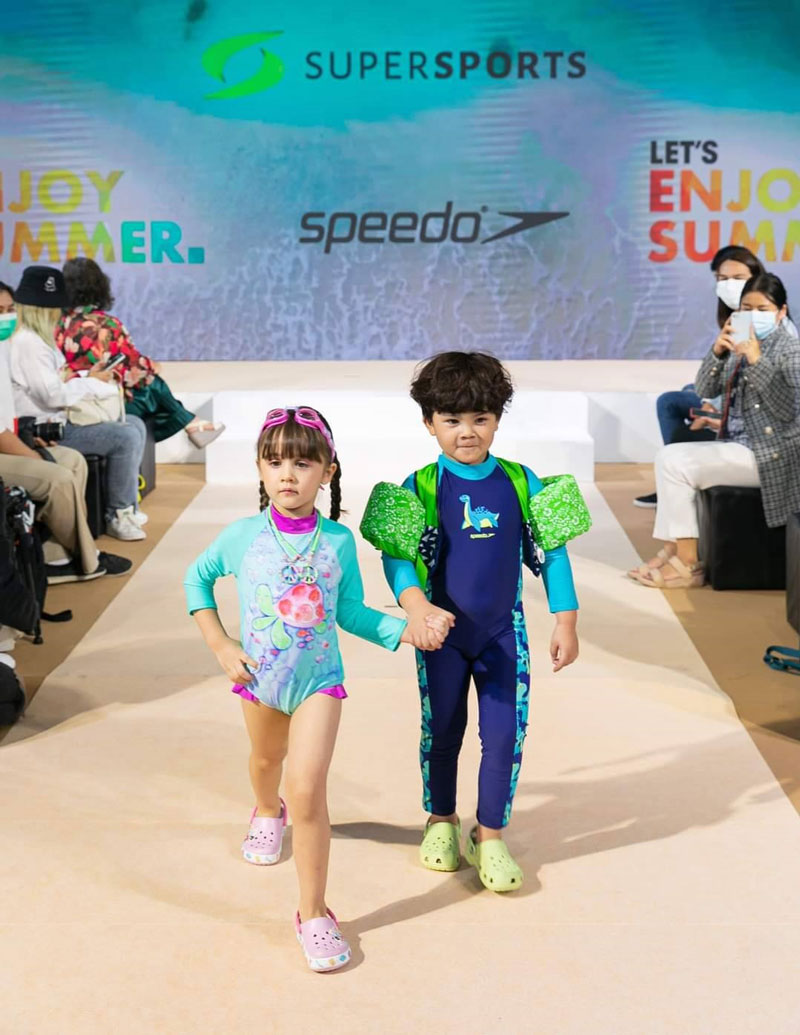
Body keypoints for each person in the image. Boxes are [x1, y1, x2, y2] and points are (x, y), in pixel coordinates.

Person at [184, 406, 448, 973]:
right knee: (265, 762)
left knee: (307, 792)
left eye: (303, 463)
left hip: (318, 684)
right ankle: (265, 808)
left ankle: (313, 912)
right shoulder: (241, 537)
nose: (288, 474)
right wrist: (221, 644)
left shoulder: (338, 541)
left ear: (327, 471)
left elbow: (349, 611)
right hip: (259, 682)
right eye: (275, 462)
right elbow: (196, 581)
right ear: (259, 468)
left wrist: (405, 632)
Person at [380, 351, 579, 893]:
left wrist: (565, 619)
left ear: (497, 419)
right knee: (442, 730)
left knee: (505, 736)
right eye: (451, 420)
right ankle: (441, 820)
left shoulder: (522, 481)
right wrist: (417, 608)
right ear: (429, 423)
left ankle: (489, 834)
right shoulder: (420, 486)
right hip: (440, 638)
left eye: (480, 418)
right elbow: (396, 557)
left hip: (502, 635)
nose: (466, 432)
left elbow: (554, 552)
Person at [630, 272, 800, 588]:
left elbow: (789, 411)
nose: (754, 315)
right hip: (740, 445)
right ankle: (673, 549)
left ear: (781, 312)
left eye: (762, 309)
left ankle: (688, 564)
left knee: (675, 463)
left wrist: (756, 360)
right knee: (668, 456)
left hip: (774, 456)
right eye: (747, 308)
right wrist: (718, 352)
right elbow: (705, 389)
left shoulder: (790, 350)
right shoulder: (740, 343)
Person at [0, 277, 131, 582]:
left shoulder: (7, 347)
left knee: (73, 461)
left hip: (19, 435)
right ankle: (89, 559)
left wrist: (29, 437)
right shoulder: (25, 344)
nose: (6, 317)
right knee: (57, 478)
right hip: (8, 445)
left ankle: (55, 556)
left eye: (9, 309)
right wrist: (33, 456)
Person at [634, 246, 765, 508]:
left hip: (750, 425)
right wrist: (710, 399)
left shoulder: (759, 320)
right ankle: (674, 482)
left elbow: (751, 381)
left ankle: (674, 482)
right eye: (722, 279)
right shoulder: (737, 316)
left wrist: (715, 409)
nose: (729, 285)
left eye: (738, 278)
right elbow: (728, 372)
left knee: (669, 402)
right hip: (733, 405)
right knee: (688, 389)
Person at [57, 258, 224, 449]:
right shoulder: (106, 325)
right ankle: (191, 423)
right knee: (152, 386)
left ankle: (191, 423)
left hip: (66, 402)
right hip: (100, 403)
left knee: (151, 387)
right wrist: (153, 366)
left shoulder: (57, 324)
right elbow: (133, 369)